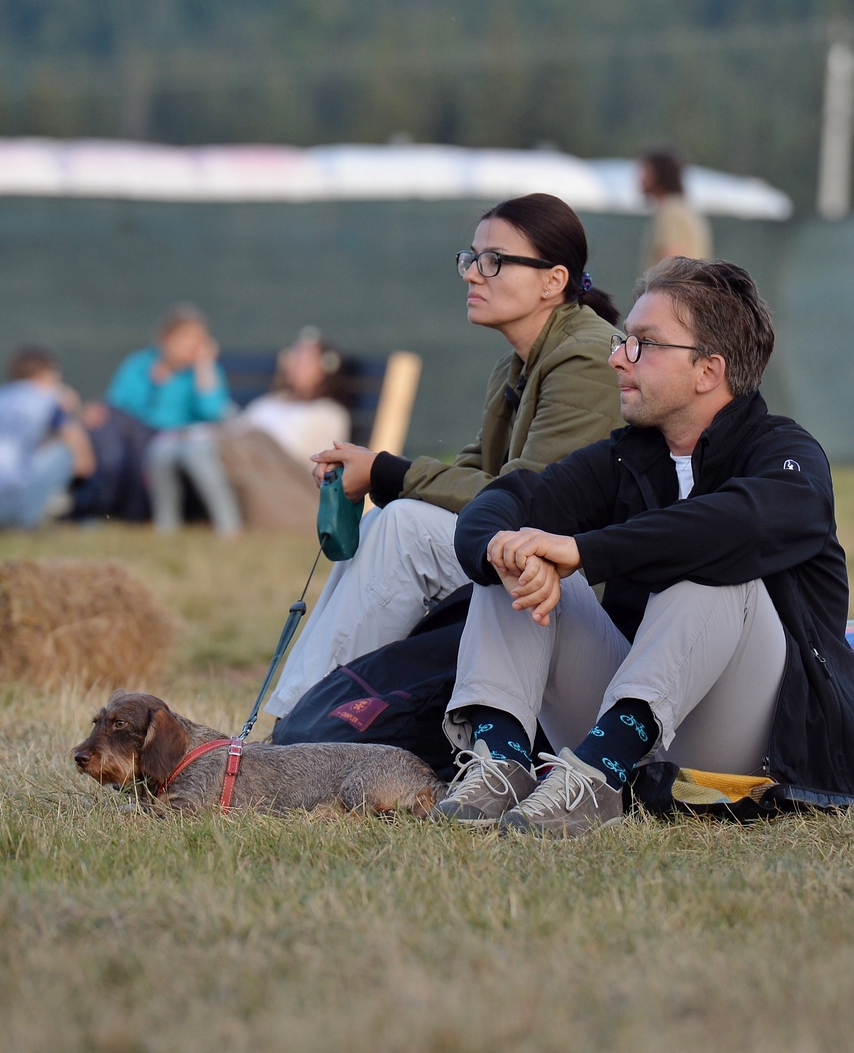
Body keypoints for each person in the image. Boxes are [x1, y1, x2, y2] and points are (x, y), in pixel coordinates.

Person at [433, 257, 854, 836]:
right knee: (516, 555)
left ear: (707, 370)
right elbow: (507, 500)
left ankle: (598, 773)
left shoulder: (785, 453)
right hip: (639, 721)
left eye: (642, 343)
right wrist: (506, 549)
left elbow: (742, 523)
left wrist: (587, 551)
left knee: (714, 566)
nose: (617, 357)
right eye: (623, 340)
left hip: (757, 741)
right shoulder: (626, 456)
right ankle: (503, 763)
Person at [263, 193, 624, 719]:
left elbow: (528, 501)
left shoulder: (588, 357)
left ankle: (295, 731)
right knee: (391, 518)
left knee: (406, 526)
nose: (473, 275)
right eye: (470, 258)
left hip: (592, 610)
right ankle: (304, 722)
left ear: (553, 280)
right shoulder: (515, 366)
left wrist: (385, 470)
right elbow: (478, 475)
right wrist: (375, 472)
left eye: (494, 261)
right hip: (531, 583)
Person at [99, 304, 243, 535]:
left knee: (184, 452)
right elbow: (118, 405)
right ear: (165, 338)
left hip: (191, 439)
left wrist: (203, 368)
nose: (191, 345)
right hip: (140, 440)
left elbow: (214, 413)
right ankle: (154, 524)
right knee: (153, 449)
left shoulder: (205, 371)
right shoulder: (139, 364)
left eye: (198, 339)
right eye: (185, 338)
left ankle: (228, 529)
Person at [0, 345, 95, 530]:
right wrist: (73, 410)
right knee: (64, 452)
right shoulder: (49, 399)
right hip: (6, 510)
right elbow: (85, 464)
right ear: (45, 373)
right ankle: (74, 516)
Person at [240, 327, 351, 462]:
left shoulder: (330, 414)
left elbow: (315, 466)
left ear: (324, 369)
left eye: (306, 361)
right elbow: (234, 432)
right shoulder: (267, 402)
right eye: (295, 357)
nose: (296, 365)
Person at [639, 149, 712, 272]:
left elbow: (672, 266)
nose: (639, 178)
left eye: (644, 171)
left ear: (658, 173)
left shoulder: (671, 212)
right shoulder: (682, 208)